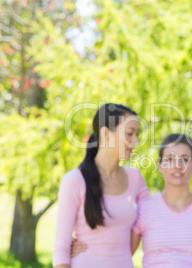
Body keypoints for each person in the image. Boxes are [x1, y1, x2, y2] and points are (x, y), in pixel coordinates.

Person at [53, 103, 148, 268]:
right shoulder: (75, 180)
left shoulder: (135, 178)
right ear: (106, 133)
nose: (136, 141)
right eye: (130, 134)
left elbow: (157, 213)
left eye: (136, 134)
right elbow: (61, 249)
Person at [130, 134, 192, 268]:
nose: (177, 166)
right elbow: (122, 256)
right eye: (169, 159)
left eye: (185, 159)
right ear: (160, 166)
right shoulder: (143, 208)